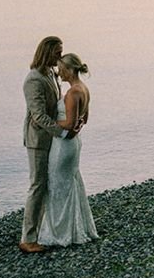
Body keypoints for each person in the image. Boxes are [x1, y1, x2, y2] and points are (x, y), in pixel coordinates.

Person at [38, 52, 98, 246]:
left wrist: (47, 121)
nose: (59, 73)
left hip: (64, 146)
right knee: (69, 183)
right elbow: (83, 120)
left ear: (70, 69)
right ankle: (72, 228)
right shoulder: (84, 89)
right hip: (74, 143)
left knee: (57, 184)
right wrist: (75, 128)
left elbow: (70, 122)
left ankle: (60, 232)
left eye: (62, 70)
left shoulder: (73, 93)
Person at [20, 35, 71, 253]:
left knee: (48, 185)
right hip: (38, 141)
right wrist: (62, 132)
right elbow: (38, 115)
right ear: (46, 52)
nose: (60, 58)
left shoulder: (50, 74)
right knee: (37, 186)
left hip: (51, 138)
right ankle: (28, 238)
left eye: (61, 53)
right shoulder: (33, 79)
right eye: (57, 53)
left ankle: (44, 231)